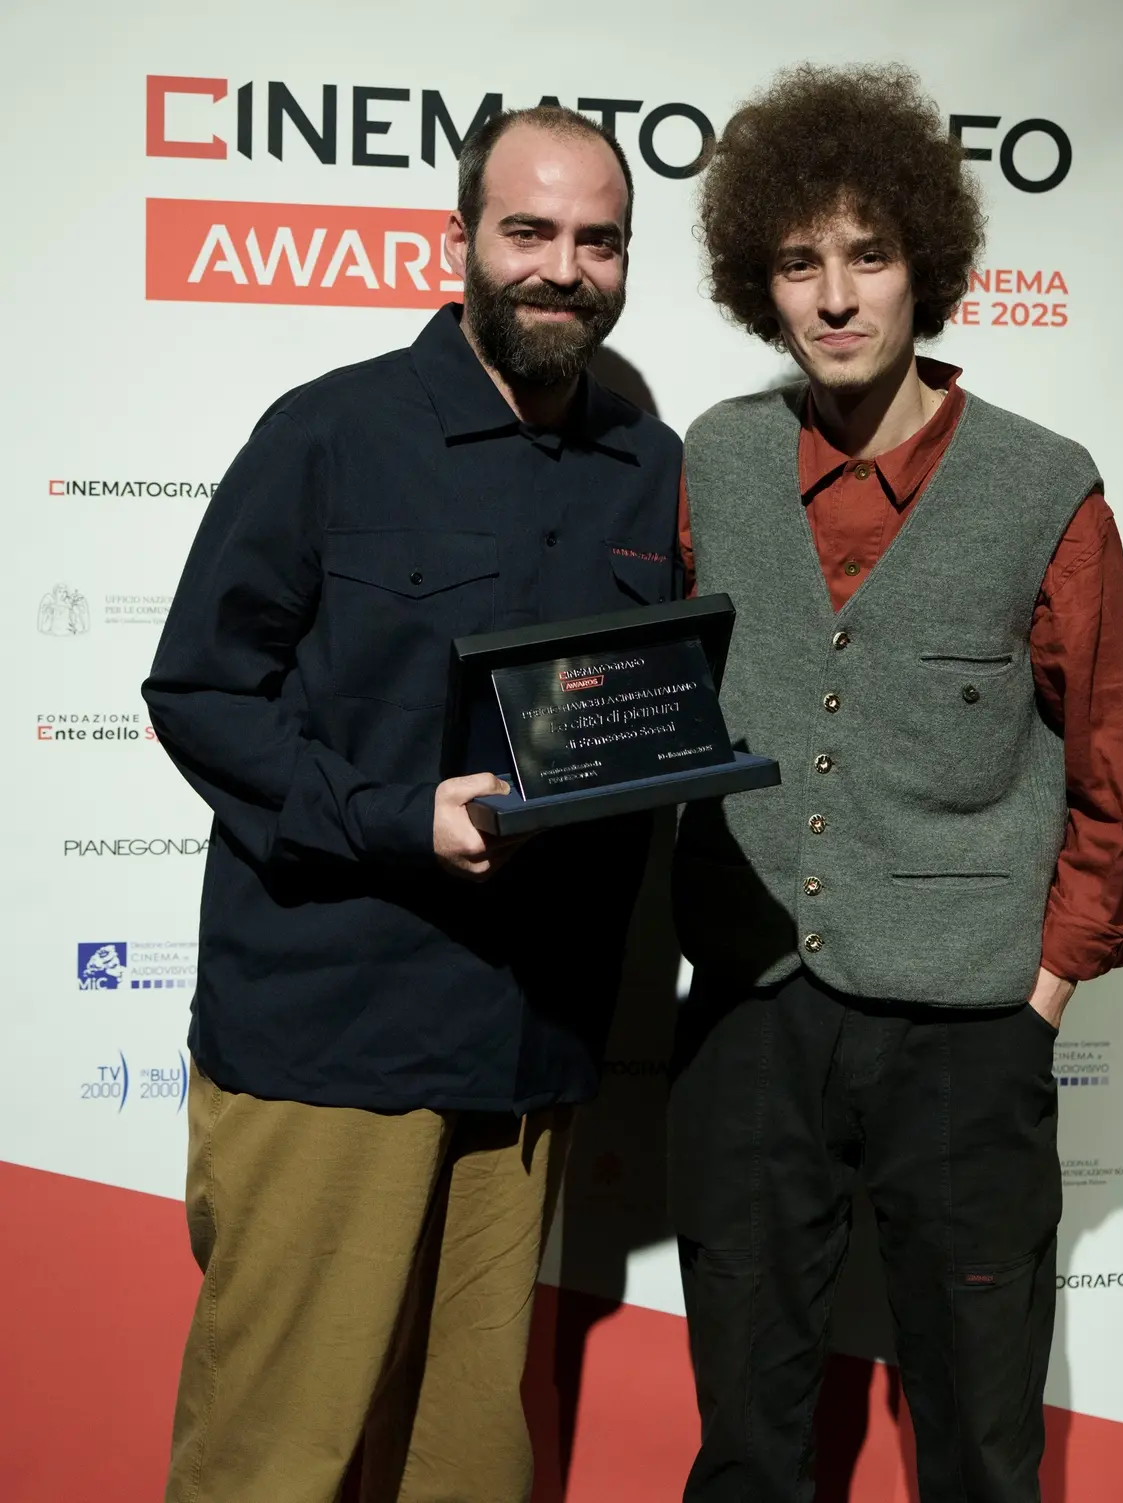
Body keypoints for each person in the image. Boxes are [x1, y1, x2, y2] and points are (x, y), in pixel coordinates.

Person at [144, 105, 681, 1503]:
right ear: (459, 243)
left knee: (466, 1463)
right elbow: (201, 691)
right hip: (332, 1039)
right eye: (528, 232)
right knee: (277, 1457)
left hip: (527, 1054)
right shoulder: (330, 433)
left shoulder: (648, 462)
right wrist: (395, 815)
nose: (562, 268)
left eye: (597, 240)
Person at [669, 64, 1123, 1503]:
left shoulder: (1044, 482)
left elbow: (1113, 767)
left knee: (983, 1449)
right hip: (753, 1019)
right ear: (762, 282)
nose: (834, 297)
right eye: (800, 261)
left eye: (867, 256)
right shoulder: (715, 459)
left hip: (968, 1035)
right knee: (750, 1447)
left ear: (923, 270)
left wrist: (1048, 988)